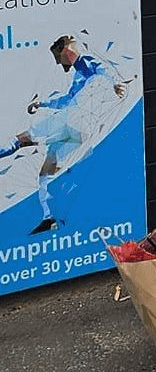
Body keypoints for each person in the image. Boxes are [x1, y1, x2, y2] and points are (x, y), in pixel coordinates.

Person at [6, 35, 128, 235]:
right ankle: (49, 219)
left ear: (64, 50)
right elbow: (65, 100)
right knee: (45, 173)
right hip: (80, 132)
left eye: (58, 56)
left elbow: (102, 69)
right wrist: (42, 104)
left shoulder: (84, 63)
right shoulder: (79, 75)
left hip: (70, 121)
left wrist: (115, 83)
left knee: (19, 141)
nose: (57, 62)